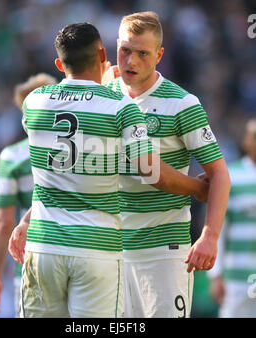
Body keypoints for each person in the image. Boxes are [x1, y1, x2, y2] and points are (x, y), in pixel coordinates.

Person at [8, 22, 209, 318]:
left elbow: (65, 150)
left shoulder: (34, 103)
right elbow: (151, 172)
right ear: (103, 55)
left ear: (59, 64)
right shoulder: (121, 107)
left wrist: (25, 220)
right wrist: (198, 187)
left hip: (44, 245)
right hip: (97, 247)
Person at [104, 11, 231, 317]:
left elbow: (220, 176)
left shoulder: (182, 104)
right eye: (125, 51)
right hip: (108, 252)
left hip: (163, 252)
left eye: (142, 53)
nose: (131, 61)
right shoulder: (102, 98)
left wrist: (210, 235)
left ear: (159, 55)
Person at [0, 73, 57, 316]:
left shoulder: (13, 157)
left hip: (30, 265)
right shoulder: (83, 149)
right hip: (81, 255)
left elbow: (3, 222)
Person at [208, 119, 256, 317]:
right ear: (246, 142)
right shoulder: (231, 177)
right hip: (236, 278)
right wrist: (215, 274)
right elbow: (217, 227)